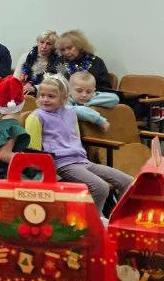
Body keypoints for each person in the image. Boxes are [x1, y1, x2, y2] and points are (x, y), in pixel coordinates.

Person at [26, 74, 132, 212]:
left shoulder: (70, 112)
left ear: (64, 98)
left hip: (82, 160)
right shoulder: (36, 117)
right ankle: (94, 221)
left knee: (128, 182)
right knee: (100, 187)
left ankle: (119, 217)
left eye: (51, 96)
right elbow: (33, 151)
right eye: (42, 95)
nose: (45, 99)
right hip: (62, 164)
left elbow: (75, 138)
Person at [0, 75, 31, 179]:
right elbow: (4, 154)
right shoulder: (11, 126)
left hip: (7, 171)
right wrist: (30, 162)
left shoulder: (1, 121)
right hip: (7, 174)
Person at [16, 31, 58, 95]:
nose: (44, 46)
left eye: (49, 44)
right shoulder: (25, 56)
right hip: (21, 91)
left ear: (53, 47)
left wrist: (34, 88)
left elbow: (54, 83)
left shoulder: (57, 61)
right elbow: (15, 77)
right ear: (37, 43)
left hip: (44, 93)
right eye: (42, 42)